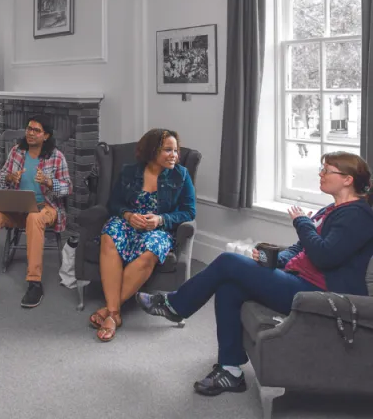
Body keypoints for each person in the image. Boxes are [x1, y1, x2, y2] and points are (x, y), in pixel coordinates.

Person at [137, 151, 373, 397]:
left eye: (327, 170)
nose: (320, 174)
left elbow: (325, 256)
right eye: (321, 169)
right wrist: (270, 259)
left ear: (347, 179)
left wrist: (302, 223)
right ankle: (230, 371)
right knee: (230, 286)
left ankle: (175, 306)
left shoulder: (358, 215)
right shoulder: (332, 209)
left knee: (228, 261)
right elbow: (299, 249)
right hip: (299, 279)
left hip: (320, 294)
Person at [89, 128, 196, 342]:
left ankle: (111, 312)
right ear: (152, 151)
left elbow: (189, 211)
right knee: (109, 234)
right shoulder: (130, 171)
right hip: (128, 223)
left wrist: (161, 219)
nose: (175, 155)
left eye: (176, 150)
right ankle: (115, 313)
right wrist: (127, 215)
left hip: (158, 229)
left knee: (151, 251)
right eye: (168, 150)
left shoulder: (181, 175)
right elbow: (114, 203)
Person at [0, 114, 72, 308]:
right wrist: (10, 178)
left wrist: (49, 182)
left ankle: (34, 282)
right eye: (29, 128)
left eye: (36, 130)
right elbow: (2, 177)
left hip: (45, 208)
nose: (30, 133)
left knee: (34, 218)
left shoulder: (56, 157)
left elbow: (67, 188)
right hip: (18, 206)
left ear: (45, 136)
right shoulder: (17, 152)